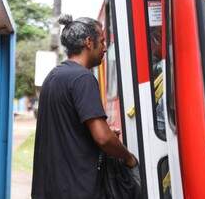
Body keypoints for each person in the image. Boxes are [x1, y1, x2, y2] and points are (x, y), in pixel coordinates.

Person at [31, 15, 138, 199]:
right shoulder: (83, 78)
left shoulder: (53, 77)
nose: (105, 48)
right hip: (78, 190)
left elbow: (66, 129)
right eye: (103, 41)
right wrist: (128, 158)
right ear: (89, 42)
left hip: (49, 190)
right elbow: (103, 138)